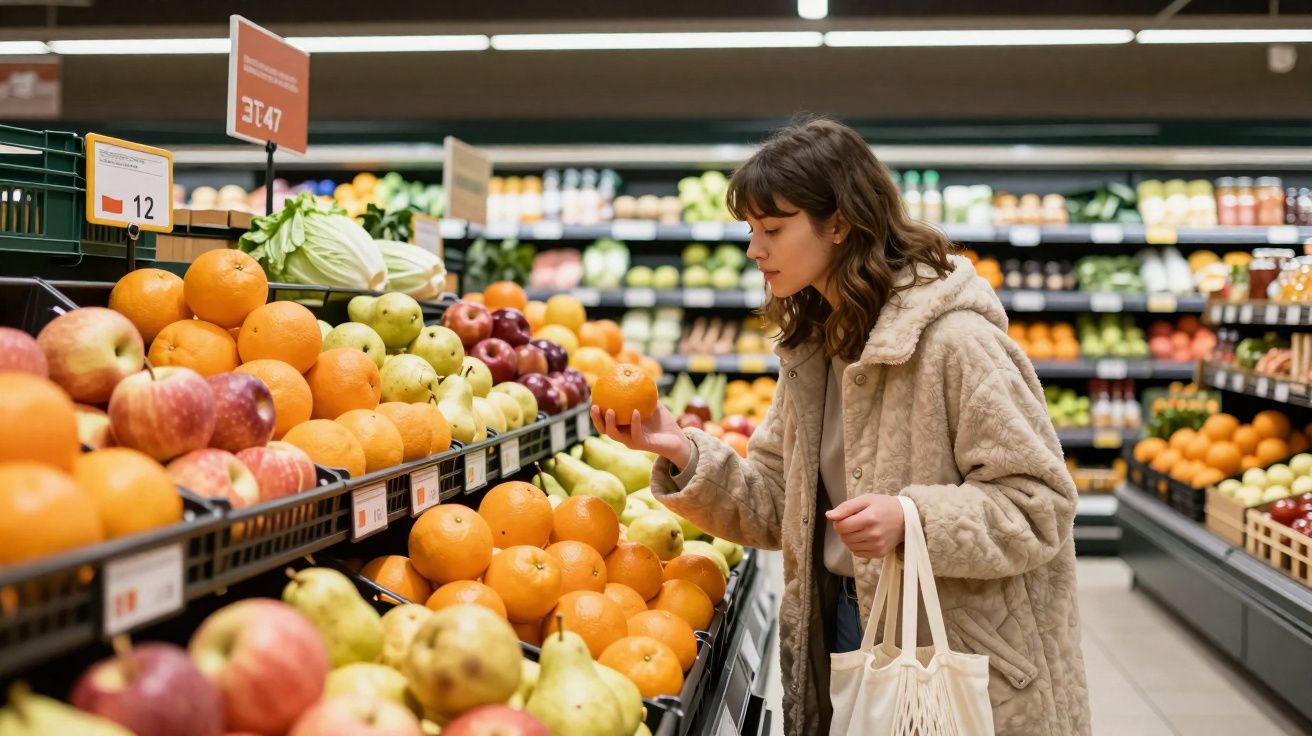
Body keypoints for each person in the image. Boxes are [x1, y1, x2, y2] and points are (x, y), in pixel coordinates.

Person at [591, 118, 1090, 735]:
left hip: (953, 645)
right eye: (751, 230)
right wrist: (683, 452)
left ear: (839, 223)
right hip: (844, 623)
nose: (755, 249)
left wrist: (911, 520)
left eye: (773, 229)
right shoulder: (817, 347)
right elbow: (777, 504)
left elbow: (1040, 506)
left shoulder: (956, 342)